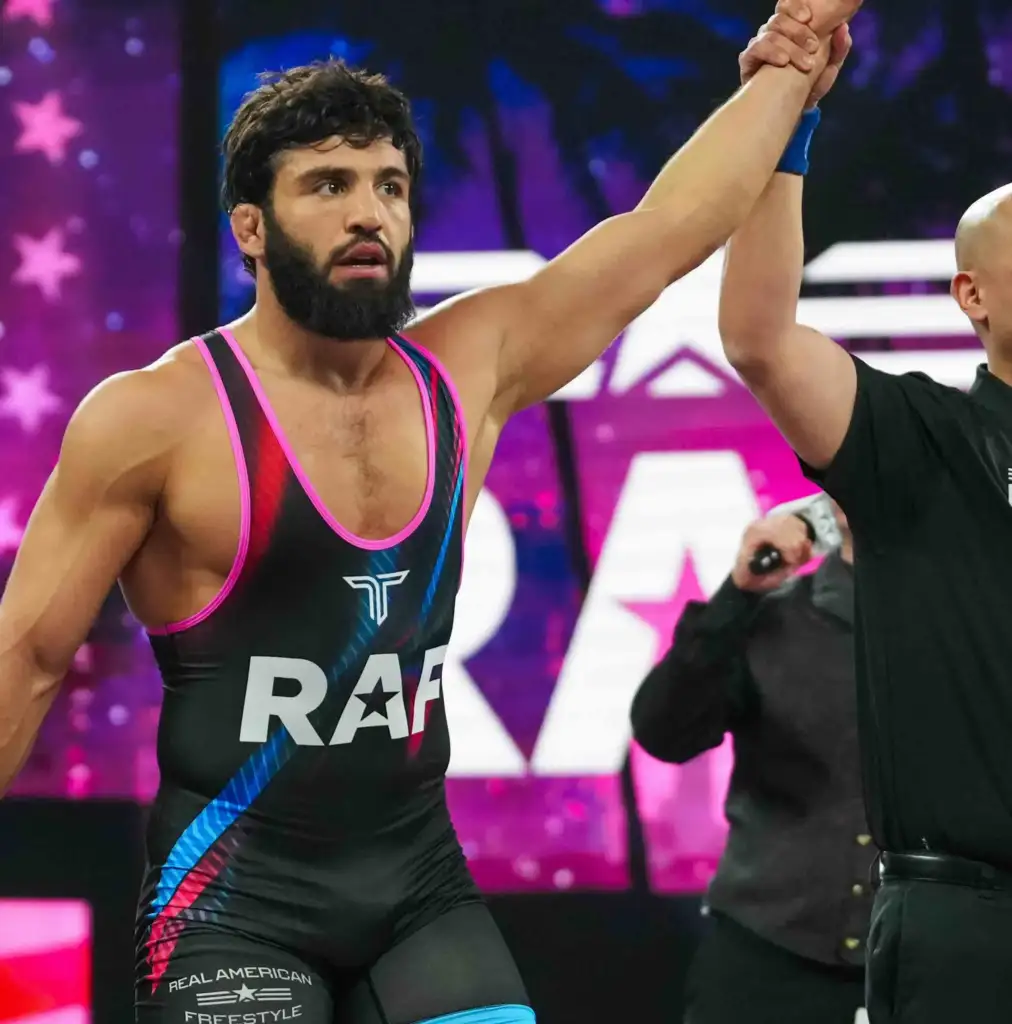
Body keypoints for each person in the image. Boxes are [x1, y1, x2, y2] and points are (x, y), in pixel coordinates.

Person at [0, 3, 861, 1020]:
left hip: (417, 893)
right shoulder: (153, 419)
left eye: (389, 185)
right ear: (251, 227)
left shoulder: (467, 368)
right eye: (328, 185)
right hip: (231, 907)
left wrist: (792, 64)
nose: (369, 212)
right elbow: (29, 659)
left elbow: (665, 233)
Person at [723, 11, 1012, 1024]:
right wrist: (786, 120)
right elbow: (760, 338)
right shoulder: (920, 441)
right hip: (967, 927)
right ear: (972, 295)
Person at [631, 504, 873, 1024]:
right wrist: (736, 596)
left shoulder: (977, 625)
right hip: (768, 953)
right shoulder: (770, 617)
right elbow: (664, 733)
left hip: (932, 963)